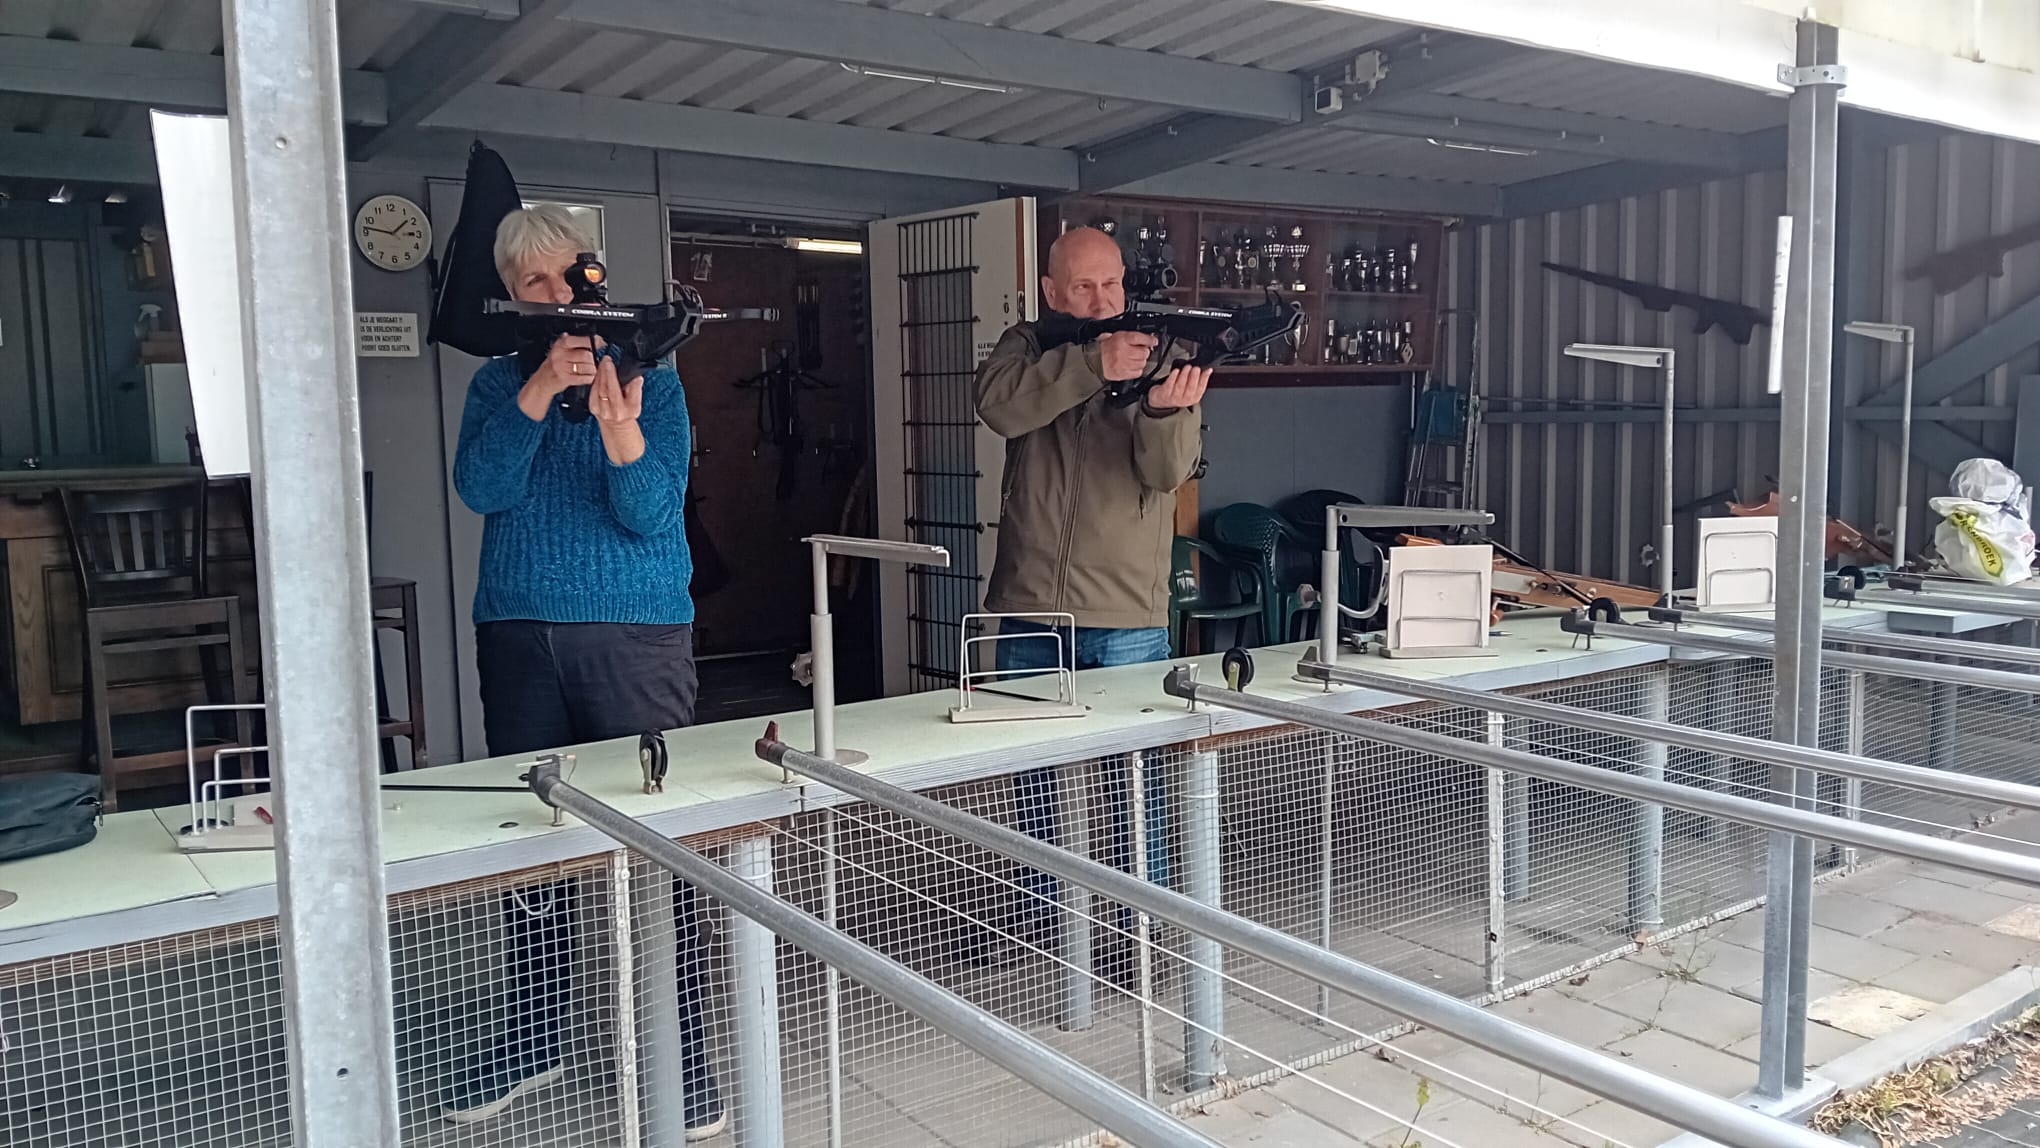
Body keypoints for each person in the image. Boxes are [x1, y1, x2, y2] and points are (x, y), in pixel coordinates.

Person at [445, 204, 723, 1138]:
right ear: (512, 295)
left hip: (635, 635)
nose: (554, 294)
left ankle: (682, 1049)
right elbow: (482, 488)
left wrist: (621, 429)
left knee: (661, 840)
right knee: (532, 839)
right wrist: (536, 391)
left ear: (592, 278)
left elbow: (651, 514)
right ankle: (534, 1036)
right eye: (532, 281)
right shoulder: (495, 382)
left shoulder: (655, 379)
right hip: (519, 633)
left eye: (567, 274)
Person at [973, 226, 1211, 975]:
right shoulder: (1025, 345)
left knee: (1133, 782)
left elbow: (1167, 476)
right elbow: (1000, 409)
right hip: (1029, 601)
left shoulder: (1162, 352)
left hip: (1125, 611)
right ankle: (1041, 913)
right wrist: (1088, 364)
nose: (1102, 300)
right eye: (1082, 287)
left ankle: (1142, 928)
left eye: (1111, 284)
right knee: (1031, 774)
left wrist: (1164, 413)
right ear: (1052, 292)